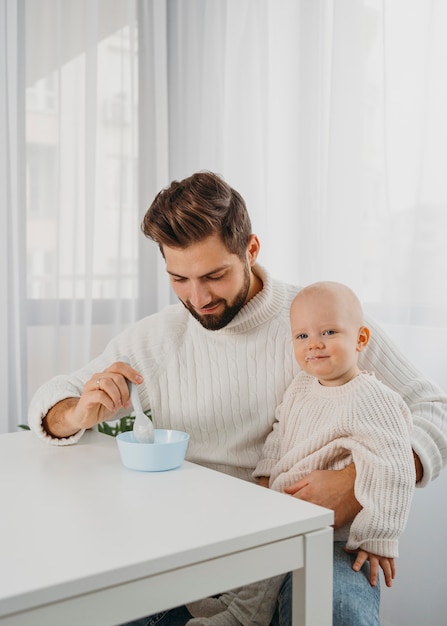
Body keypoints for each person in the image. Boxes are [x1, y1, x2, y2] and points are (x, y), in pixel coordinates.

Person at [28, 171, 447, 626]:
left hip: (313, 537)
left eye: (214, 275)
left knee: (339, 616)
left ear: (251, 250)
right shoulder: (160, 338)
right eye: (179, 279)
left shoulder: (317, 321)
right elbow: (53, 398)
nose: (199, 297)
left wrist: (356, 482)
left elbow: (434, 410)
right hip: (199, 546)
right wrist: (76, 412)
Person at [185, 281, 415, 626]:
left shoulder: (370, 398)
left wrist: (378, 535)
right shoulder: (302, 385)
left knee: (271, 573)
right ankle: (235, 608)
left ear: (361, 339)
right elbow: (281, 431)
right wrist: (264, 475)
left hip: (328, 529)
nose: (315, 344)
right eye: (302, 336)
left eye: (329, 332)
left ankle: (240, 618)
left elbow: (394, 466)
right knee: (255, 564)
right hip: (283, 507)